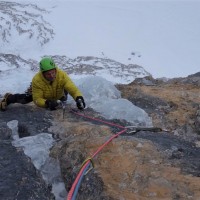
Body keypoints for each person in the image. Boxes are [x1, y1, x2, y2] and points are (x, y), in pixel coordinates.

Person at [0, 57, 86, 111]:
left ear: (56, 70)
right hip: (44, 96)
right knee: (27, 98)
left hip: (59, 95)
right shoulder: (37, 80)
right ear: (43, 73)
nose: (52, 76)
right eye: (48, 74)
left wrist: (78, 98)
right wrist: (47, 103)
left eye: (53, 72)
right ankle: (9, 98)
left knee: (65, 93)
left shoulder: (61, 75)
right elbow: (37, 99)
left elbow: (72, 88)